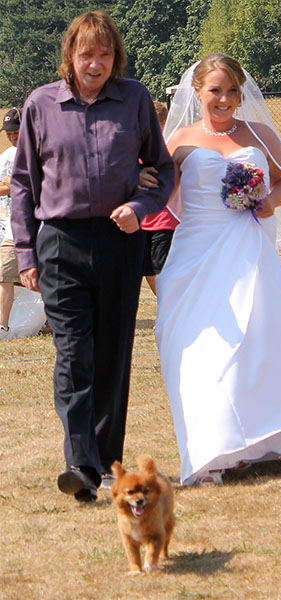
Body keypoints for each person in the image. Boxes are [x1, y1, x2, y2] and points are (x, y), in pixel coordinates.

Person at [154, 53, 281, 486]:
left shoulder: (258, 134)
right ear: (198, 92)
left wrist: (265, 202)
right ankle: (206, 448)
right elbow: (159, 191)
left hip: (246, 248)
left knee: (251, 347)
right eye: (215, 90)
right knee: (191, 347)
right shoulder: (180, 139)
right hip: (195, 253)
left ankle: (250, 444)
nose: (224, 99)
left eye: (232, 91)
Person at [11, 11, 174, 501]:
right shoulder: (41, 104)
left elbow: (162, 169)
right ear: (71, 56)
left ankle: (106, 461)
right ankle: (79, 465)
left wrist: (140, 206)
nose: (96, 63)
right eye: (87, 54)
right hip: (59, 243)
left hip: (121, 239)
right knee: (73, 354)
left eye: (105, 54)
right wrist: (26, 252)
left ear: (115, 57)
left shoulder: (135, 100)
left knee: (112, 354)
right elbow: (23, 184)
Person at [140, 101, 179, 295]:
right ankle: (166, 305)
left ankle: (170, 307)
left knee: (161, 267)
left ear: (164, 122)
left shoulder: (170, 146)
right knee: (147, 269)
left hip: (164, 219)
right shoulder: (138, 144)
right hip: (141, 219)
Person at [0, 108, 21, 339]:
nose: (12, 136)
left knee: (42, 279)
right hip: (12, 226)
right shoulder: (6, 157)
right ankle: (2, 326)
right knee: (4, 274)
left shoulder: (39, 151)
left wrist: (11, 183)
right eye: (8, 132)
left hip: (40, 225)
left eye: (15, 131)